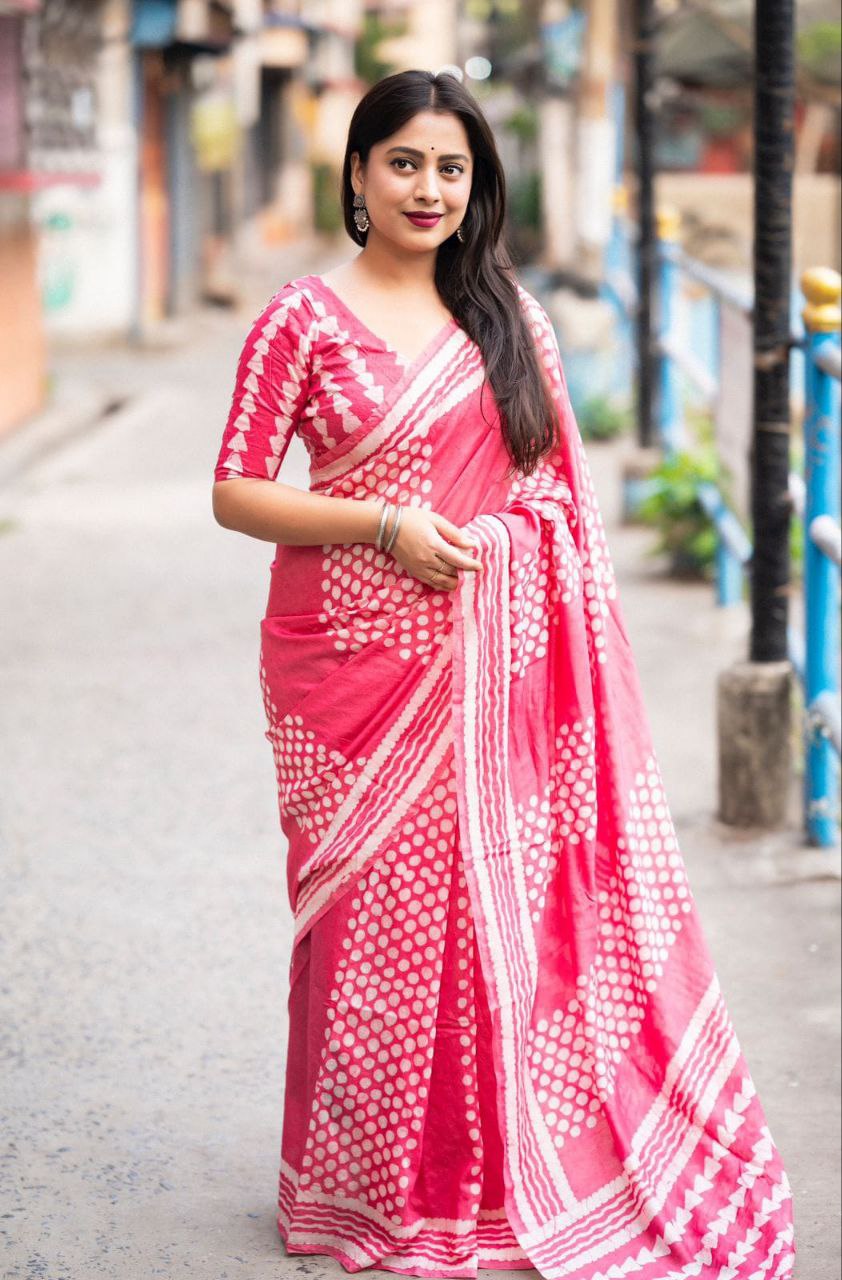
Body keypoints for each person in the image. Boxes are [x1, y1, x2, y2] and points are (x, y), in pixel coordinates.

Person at [211, 69, 795, 1280]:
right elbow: (233, 489)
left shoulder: (507, 320)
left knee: (493, 930)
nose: (428, 188)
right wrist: (380, 525)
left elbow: (555, 505)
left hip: (503, 673)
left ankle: (484, 1177)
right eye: (405, 163)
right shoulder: (301, 320)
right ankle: (365, 1190)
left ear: (475, 187)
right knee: (363, 932)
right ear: (358, 176)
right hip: (350, 683)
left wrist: (493, 553)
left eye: (452, 168)